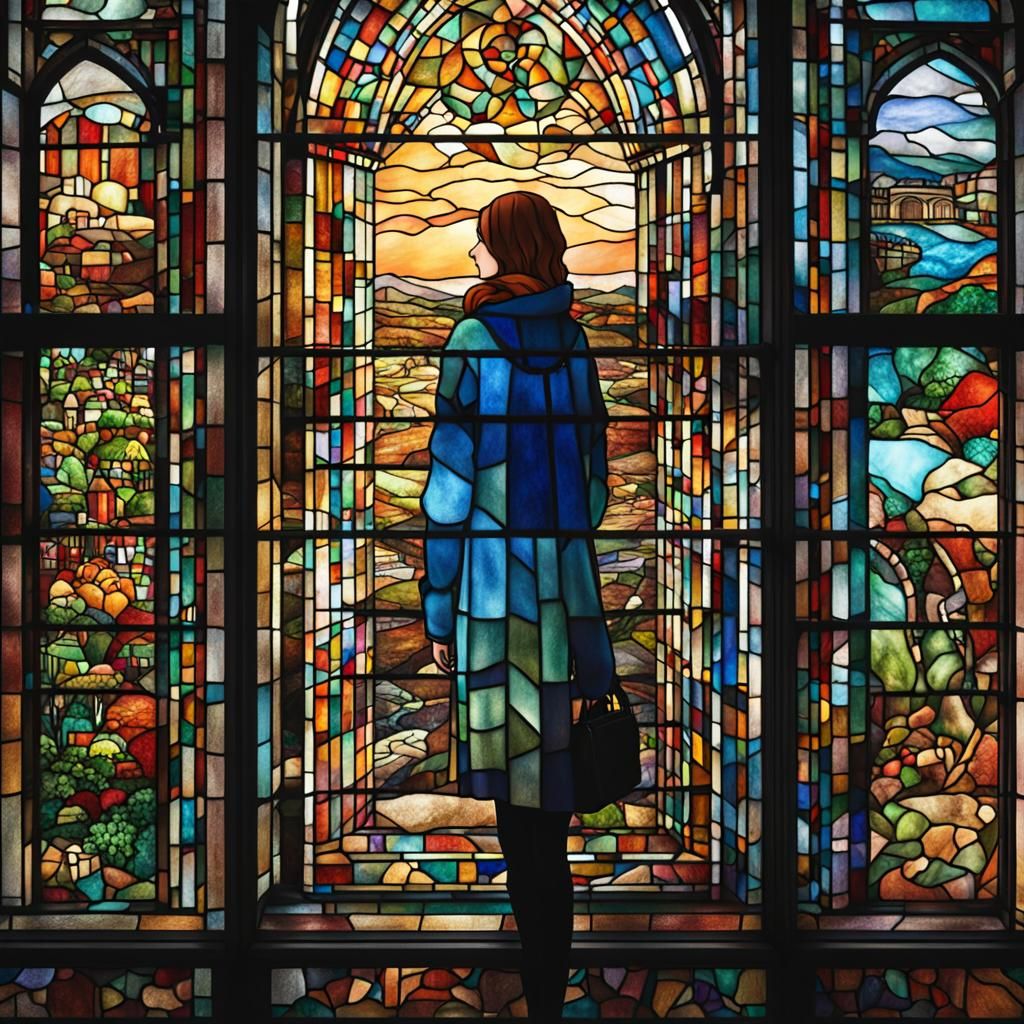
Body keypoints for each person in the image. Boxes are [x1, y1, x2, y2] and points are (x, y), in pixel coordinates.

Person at [417, 191, 616, 1020]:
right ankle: (549, 989)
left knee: (515, 808)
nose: (474, 255)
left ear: (505, 247)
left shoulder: (471, 339)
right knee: (556, 813)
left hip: (493, 598)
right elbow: (599, 483)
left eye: (482, 242)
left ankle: (536, 987)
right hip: (565, 595)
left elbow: (450, 487)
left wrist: (437, 608)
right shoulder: (571, 341)